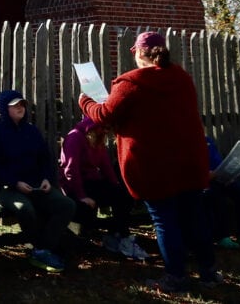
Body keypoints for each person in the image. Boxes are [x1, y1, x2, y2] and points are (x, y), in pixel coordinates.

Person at [80, 31, 221, 293]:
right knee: (194, 217)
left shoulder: (131, 82)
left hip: (154, 166)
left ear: (137, 53)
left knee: (165, 221)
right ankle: (208, 272)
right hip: (188, 162)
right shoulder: (182, 78)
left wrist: (85, 101)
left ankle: (176, 277)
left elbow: (104, 115)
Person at [0, 89, 76, 273]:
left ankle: (42, 249)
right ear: (4, 108)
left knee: (67, 205)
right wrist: (15, 182)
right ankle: (41, 250)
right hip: (6, 189)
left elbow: (44, 158)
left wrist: (46, 179)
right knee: (24, 208)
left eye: (22, 104)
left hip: (36, 185)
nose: (20, 108)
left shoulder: (32, 131)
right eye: (15, 105)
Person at [59, 115, 149, 260]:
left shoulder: (98, 140)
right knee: (92, 206)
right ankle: (121, 237)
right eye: (104, 128)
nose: (106, 131)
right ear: (94, 127)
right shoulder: (75, 138)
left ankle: (117, 235)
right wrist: (82, 196)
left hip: (92, 183)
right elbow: (71, 171)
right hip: (75, 187)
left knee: (124, 195)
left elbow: (106, 166)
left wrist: (116, 186)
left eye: (108, 128)